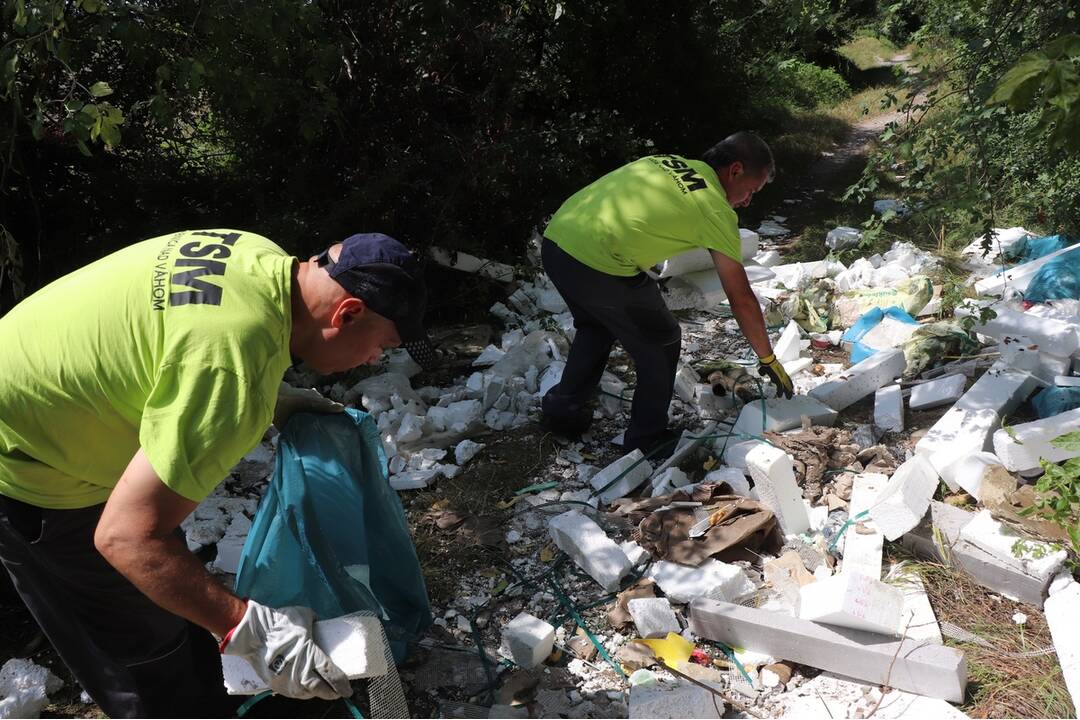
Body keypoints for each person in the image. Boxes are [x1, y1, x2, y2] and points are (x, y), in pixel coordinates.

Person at [0, 230, 428, 717]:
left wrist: (272, 394)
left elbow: (182, 339)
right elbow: (125, 539)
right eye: (382, 346)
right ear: (346, 313)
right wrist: (255, 633)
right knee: (145, 654)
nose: (374, 360)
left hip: (48, 401)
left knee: (178, 606)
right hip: (29, 466)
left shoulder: (260, 258)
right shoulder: (231, 371)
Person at [540, 131, 794, 454]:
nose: (747, 201)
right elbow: (740, 297)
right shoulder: (714, 208)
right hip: (597, 261)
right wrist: (768, 358)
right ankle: (646, 439)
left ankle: (563, 412)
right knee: (662, 340)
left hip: (558, 241)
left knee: (597, 325)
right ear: (735, 170)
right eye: (751, 191)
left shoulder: (667, 161)